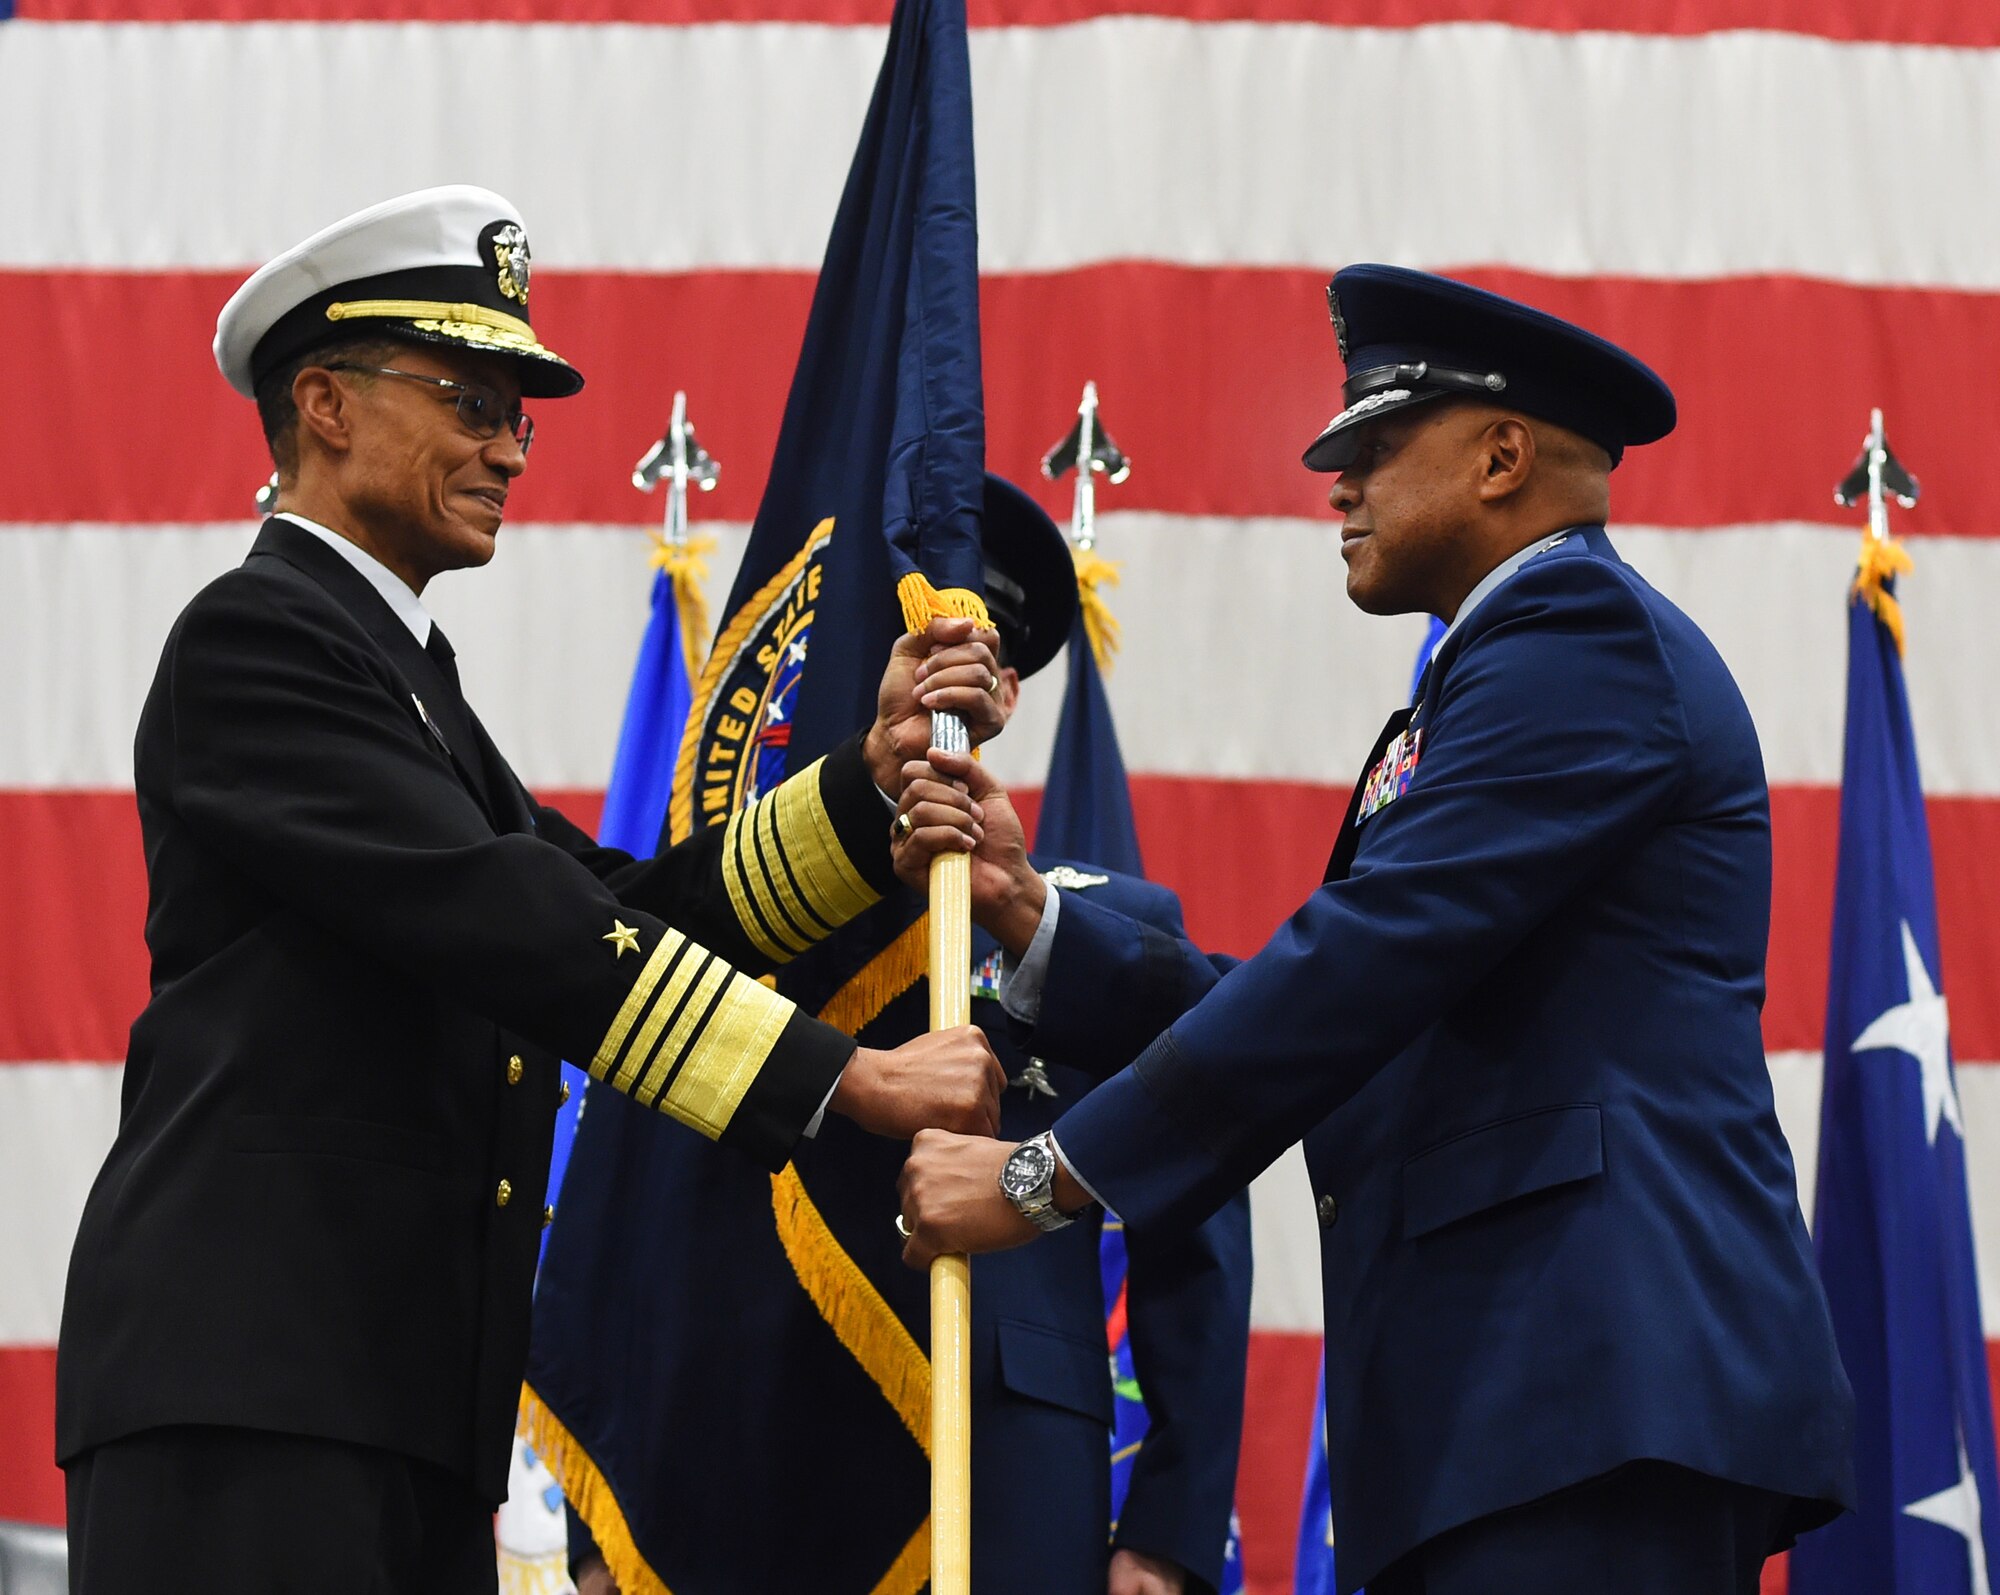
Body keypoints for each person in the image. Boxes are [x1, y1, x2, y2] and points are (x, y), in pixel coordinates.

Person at [55, 185, 1010, 1595]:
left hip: (390, 1396)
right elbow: (513, 916)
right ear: (323, 402)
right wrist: (846, 1080)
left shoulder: (401, 675)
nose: (509, 444)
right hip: (254, 1396)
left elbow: (619, 901)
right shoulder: (255, 639)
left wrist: (867, 799)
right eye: (468, 398)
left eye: (520, 412)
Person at [891, 265, 1857, 1595]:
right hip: (1520, 1411)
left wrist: (1037, 1177)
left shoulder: (1580, 639)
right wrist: (1032, 910)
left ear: (1502, 456)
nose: (1337, 486)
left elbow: (1358, 963)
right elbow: (1358, 989)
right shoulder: (1503, 670)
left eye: (1374, 447)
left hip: (1583, 1394)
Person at [553, 481, 1252, 1595]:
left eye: (959, 669)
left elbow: (1202, 1186)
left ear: (1005, 691)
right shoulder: (744, 907)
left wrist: (1167, 1524)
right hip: (742, 1440)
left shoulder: (1108, 926)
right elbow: (641, 1166)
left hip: (1005, 1453)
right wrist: (606, 1521)